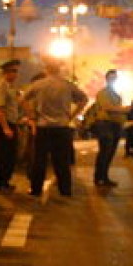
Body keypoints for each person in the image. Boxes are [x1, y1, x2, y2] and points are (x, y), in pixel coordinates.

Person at [23, 58, 88, 197]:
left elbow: (22, 100)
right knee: (62, 161)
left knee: (39, 161)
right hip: (62, 127)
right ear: (59, 69)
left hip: (43, 127)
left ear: (46, 69)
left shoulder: (38, 84)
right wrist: (72, 115)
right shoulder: (67, 85)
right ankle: (65, 190)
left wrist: (31, 116)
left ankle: (36, 189)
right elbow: (84, 99)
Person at [91, 69, 129, 186]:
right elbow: (107, 107)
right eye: (111, 77)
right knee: (105, 151)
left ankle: (104, 177)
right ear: (107, 79)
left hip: (114, 124)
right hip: (105, 124)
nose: (113, 79)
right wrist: (124, 109)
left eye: (115, 77)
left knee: (110, 152)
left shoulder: (114, 93)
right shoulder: (103, 92)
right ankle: (99, 177)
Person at [0, 59, 22, 192]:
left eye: (16, 71)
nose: (15, 74)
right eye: (13, 71)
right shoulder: (1, 87)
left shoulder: (12, 87)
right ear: (5, 72)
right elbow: (0, 109)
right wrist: (5, 128)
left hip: (12, 123)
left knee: (10, 156)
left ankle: (5, 181)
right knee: (2, 156)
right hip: (4, 124)